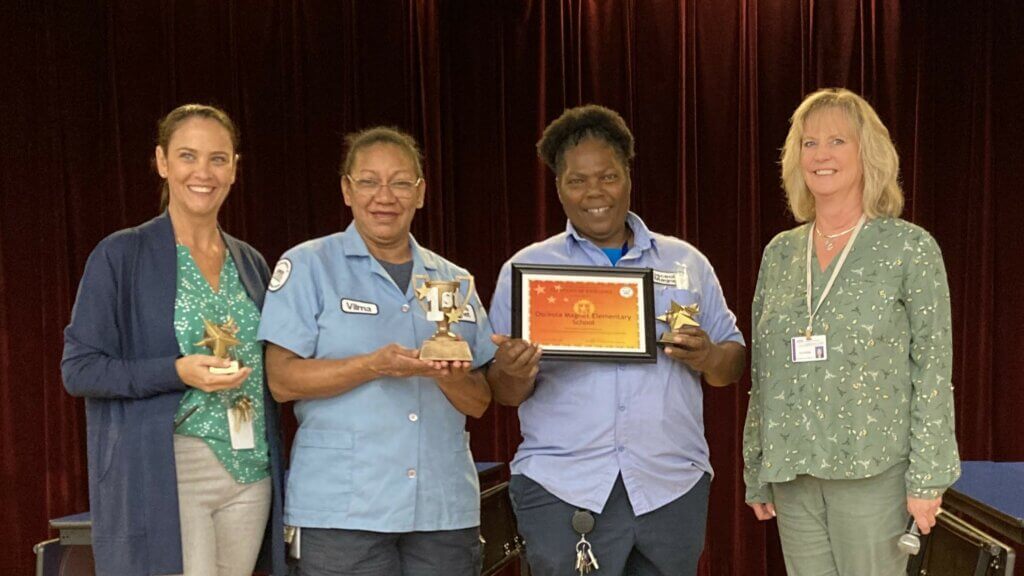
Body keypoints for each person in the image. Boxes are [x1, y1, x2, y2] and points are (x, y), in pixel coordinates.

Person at [487, 104, 746, 576]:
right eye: (577, 180)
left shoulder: (686, 262)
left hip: (671, 485)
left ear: (628, 175)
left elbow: (732, 363)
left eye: (606, 176)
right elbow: (502, 393)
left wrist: (708, 355)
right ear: (559, 187)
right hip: (561, 486)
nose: (594, 193)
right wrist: (511, 372)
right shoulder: (527, 272)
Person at [258, 126, 496, 576]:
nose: (384, 196)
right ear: (347, 190)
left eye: (401, 182)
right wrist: (372, 365)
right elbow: (281, 381)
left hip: (440, 509)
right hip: (343, 511)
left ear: (420, 193)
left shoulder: (454, 279)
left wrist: (447, 374)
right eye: (368, 181)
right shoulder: (309, 265)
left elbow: (480, 401)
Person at [742, 88, 960, 575]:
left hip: (873, 472)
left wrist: (928, 478)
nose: (820, 155)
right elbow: (765, 370)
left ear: (868, 154)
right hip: (793, 472)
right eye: (809, 143)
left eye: (837, 141)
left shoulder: (909, 248)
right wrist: (757, 465)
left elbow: (932, 369)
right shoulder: (780, 252)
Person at [62, 104, 286, 575]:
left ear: (234, 169)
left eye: (218, 159)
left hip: (250, 469)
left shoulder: (252, 262)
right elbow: (79, 369)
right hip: (171, 468)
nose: (203, 172)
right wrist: (176, 371)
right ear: (162, 163)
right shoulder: (121, 254)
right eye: (188, 156)